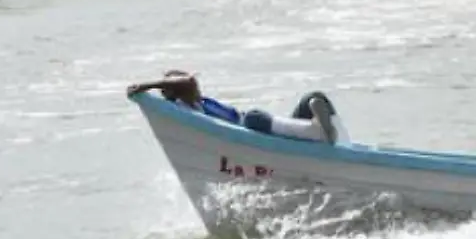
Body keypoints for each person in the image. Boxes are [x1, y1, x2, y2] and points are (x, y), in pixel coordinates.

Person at [127, 70, 339, 144]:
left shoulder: (196, 102)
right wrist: (150, 89)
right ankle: (319, 132)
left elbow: (189, 81)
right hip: (255, 128)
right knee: (255, 118)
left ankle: (326, 135)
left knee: (313, 98)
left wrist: (149, 84)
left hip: (255, 125)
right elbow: (187, 83)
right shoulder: (183, 108)